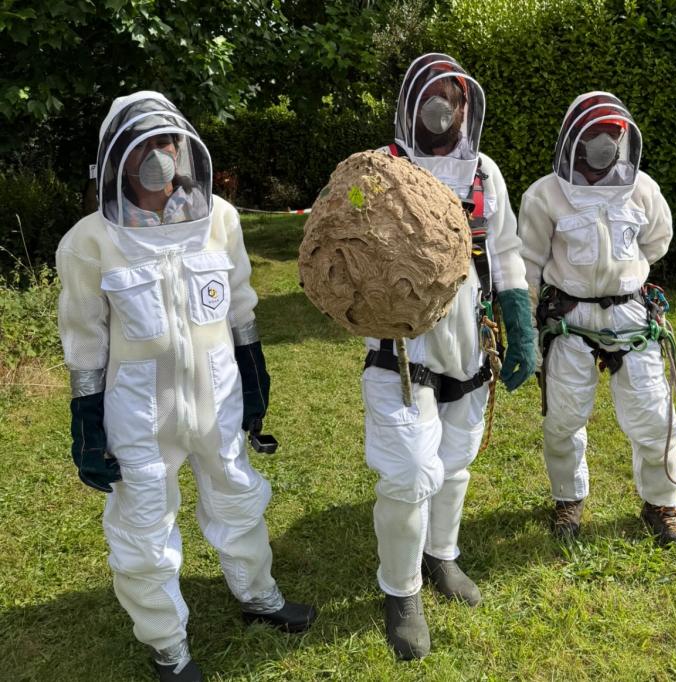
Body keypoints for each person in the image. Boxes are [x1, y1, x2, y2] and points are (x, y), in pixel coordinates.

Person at [56, 91, 315, 682]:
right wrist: (87, 421)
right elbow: (85, 338)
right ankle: (168, 646)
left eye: (166, 143)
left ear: (184, 149)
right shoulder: (89, 241)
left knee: (237, 493)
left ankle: (258, 595)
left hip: (217, 395)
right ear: (115, 158)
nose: (157, 156)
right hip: (138, 413)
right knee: (145, 527)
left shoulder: (219, 219)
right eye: (142, 144)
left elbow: (241, 306)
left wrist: (253, 375)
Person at [361, 54, 537, 660]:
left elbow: (507, 248)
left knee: (455, 461)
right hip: (401, 347)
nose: (445, 106)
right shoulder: (380, 171)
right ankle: (400, 591)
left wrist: (520, 317)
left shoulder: (484, 171)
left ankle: (442, 556)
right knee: (409, 472)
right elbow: (343, 245)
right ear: (412, 104)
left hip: (470, 339)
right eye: (434, 95)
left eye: (454, 97)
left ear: (468, 107)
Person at [518, 91, 676, 547]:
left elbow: (657, 241)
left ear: (624, 138)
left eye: (613, 135)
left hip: (632, 314)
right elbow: (528, 265)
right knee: (564, 418)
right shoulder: (546, 195)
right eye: (595, 134)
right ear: (574, 138)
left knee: (655, 415)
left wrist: (623, 278)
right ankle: (568, 500)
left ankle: (661, 504)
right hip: (569, 317)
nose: (604, 143)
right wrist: (528, 332)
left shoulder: (642, 189)